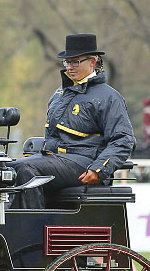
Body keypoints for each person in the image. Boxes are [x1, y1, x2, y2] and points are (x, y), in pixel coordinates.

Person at [9, 34, 134, 209]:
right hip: (56, 159)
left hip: (84, 161)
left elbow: (123, 140)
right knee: (5, 168)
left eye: (75, 62)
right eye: (67, 62)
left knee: (27, 170)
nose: (70, 67)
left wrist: (99, 169)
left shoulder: (109, 97)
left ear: (92, 61)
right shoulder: (59, 94)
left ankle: (29, 231)